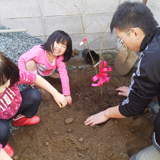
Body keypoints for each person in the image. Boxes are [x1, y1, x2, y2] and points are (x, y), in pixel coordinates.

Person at [84, 2, 160, 160]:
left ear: (135, 33)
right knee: (153, 102)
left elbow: (134, 106)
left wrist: (107, 112)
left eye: (122, 39)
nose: (123, 44)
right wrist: (135, 91)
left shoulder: (151, 58)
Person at [0, 51, 68, 158]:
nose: (3, 90)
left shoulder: (10, 77)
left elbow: (34, 77)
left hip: (14, 107)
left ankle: (19, 119)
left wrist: (55, 93)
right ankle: (2, 145)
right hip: (1, 120)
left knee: (34, 95)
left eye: (4, 84)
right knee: (2, 130)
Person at [18, 30, 72, 104]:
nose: (59, 48)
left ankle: (49, 74)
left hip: (48, 69)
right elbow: (21, 60)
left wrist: (67, 94)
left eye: (63, 46)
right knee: (29, 63)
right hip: (37, 71)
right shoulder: (38, 51)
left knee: (63, 63)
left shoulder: (60, 58)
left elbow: (64, 75)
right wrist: (25, 76)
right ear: (51, 40)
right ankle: (35, 85)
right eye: (58, 43)